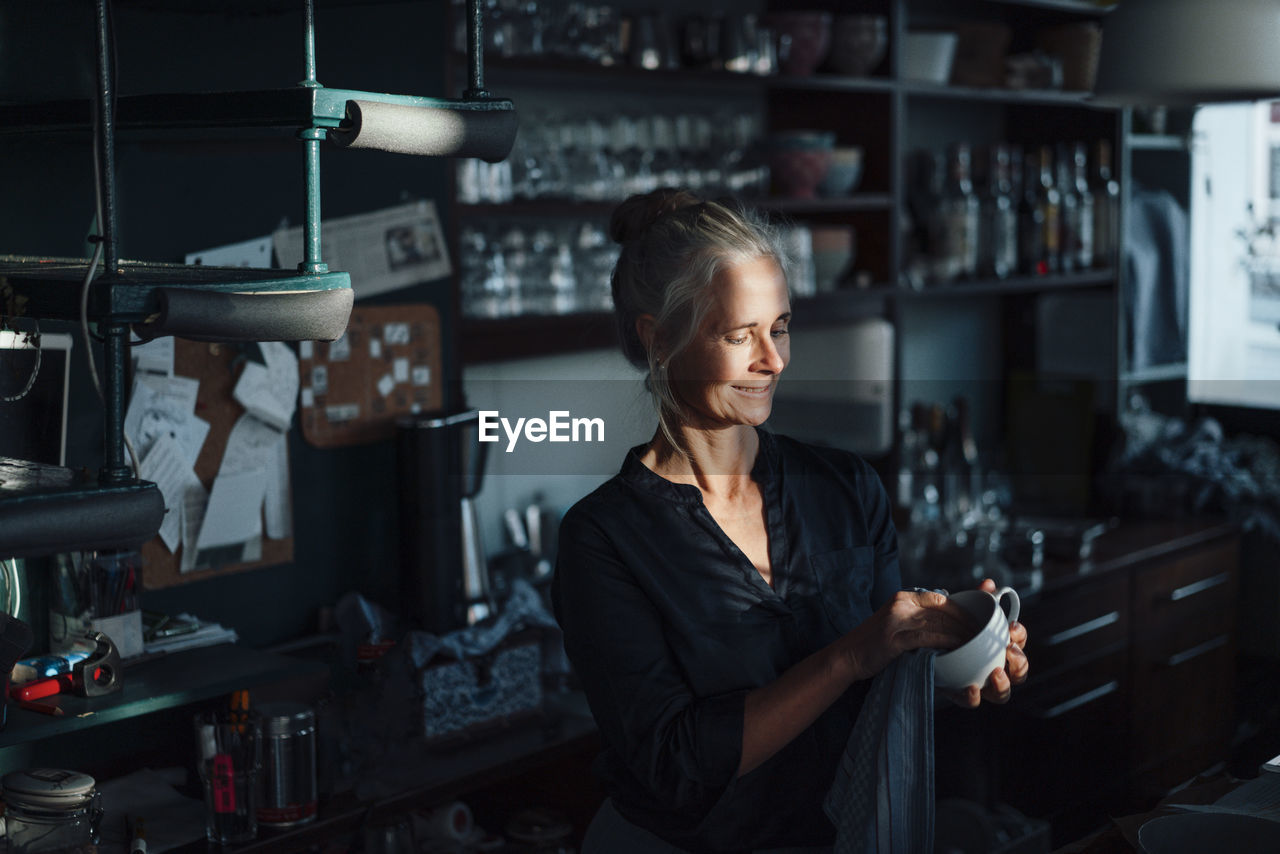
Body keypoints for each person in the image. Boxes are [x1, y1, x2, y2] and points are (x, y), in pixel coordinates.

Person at [551, 189, 1030, 853]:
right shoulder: (602, 540)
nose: (773, 360)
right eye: (738, 335)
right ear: (658, 338)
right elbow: (677, 765)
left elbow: (878, 688)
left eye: (778, 328)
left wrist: (952, 660)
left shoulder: (846, 487)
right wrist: (850, 655)